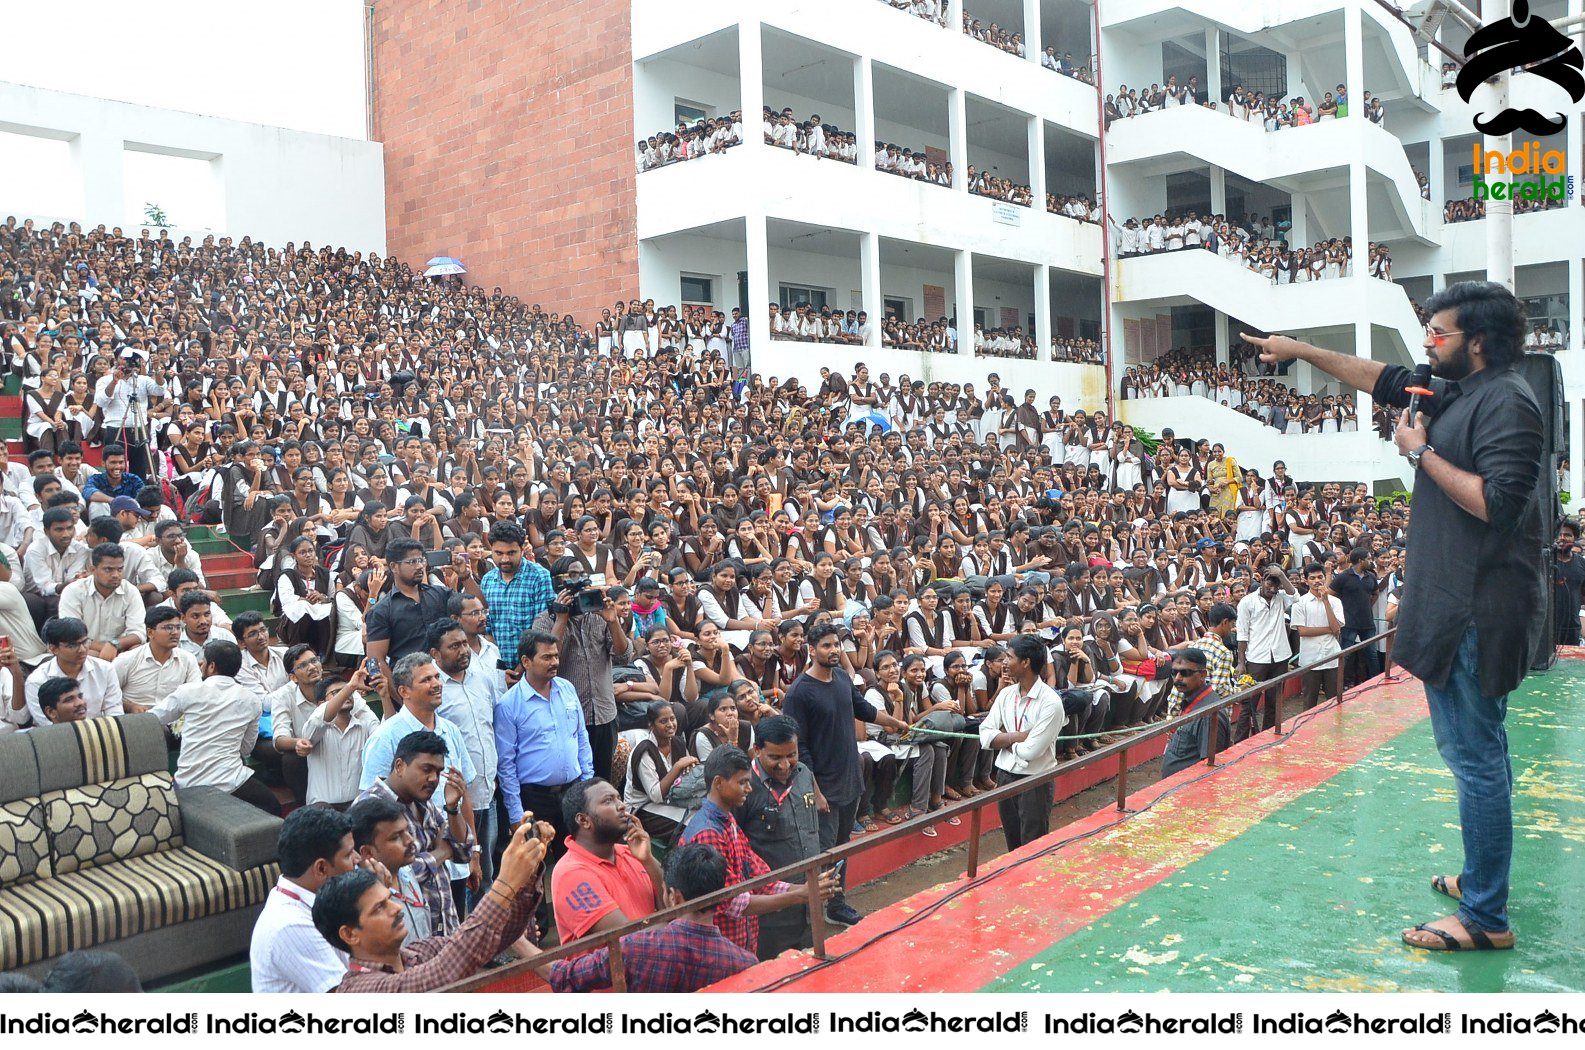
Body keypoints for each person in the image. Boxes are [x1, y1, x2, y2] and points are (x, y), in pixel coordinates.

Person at [1244, 280, 1545, 952]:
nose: (1426, 343)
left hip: (1477, 608)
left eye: (1437, 333)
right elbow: (1378, 377)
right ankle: (1479, 879)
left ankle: (1486, 919)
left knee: (1476, 760)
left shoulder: (1508, 404)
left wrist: (1419, 454)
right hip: (1451, 602)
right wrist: (1298, 349)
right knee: (1471, 754)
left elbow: (1496, 504)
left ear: (1479, 341)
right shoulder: (1454, 387)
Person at [313, 818, 553, 992]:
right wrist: (505, 885)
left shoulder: (418, 953)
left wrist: (527, 872)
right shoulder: (358, 992)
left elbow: (495, 938)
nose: (396, 908)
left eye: (389, 900)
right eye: (379, 908)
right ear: (349, 934)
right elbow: (444, 971)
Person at [780, 622, 907, 928]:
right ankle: (815, 912)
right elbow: (800, 751)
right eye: (826, 646)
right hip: (823, 787)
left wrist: (894, 722)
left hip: (850, 778)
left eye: (836, 644)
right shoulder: (798, 693)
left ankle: (836, 905)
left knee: (842, 847)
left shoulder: (840, 677)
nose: (834, 650)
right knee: (824, 851)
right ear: (811, 651)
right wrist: (817, 792)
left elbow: (862, 708)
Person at [679, 746, 835, 955]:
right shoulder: (709, 833)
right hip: (721, 947)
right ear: (718, 783)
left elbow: (758, 873)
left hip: (740, 938)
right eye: (742, 782)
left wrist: (806, 889)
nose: (749, 788)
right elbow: (734, 903)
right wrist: (802, 895)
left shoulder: (727, 820)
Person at [548, 842, 759, 992]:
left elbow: (563, 976)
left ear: (674, 897)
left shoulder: (635, 948)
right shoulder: (744, 962)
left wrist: (520, 942)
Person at [356, 729, 476, 938]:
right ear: (400, 766)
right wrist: (441, 852)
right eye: (426, 769)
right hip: (409, 938)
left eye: (438, 772)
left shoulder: (424, 802)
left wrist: (452, 808)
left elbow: (463, 851)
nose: (433, 779)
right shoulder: (371, 807)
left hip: (445, 932)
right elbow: (394, 875)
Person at [147, 640, 276, 814]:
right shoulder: (252, 700)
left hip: (188, 782)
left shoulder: (188, 691)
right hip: (232, 780)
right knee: (272, 807)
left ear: (211, 666)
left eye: (204, 662)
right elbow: (246, 749)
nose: (201, 666)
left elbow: (152, 718)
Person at [495, 628, 594, 853]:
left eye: (556, 656)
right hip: (535, 798)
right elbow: (506, 764)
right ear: (526, 661)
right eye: (547, 657)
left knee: (576, 858)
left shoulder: (567, 689)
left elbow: (581, 738)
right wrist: (515, 812)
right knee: (534, 866)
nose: (555, 662)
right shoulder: (509, 705)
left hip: (573, 790)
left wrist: (586, 783)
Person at [533, 558, 630, 781]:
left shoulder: (598, 616)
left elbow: (623, 655)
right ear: (558, 584)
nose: (577, 583)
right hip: (569, 719)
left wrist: (613, 621)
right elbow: (548, 662)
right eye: (571, 576)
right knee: (575, 783)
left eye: (580, 575)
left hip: (604, 713)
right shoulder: (544, 621)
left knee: (602, 779)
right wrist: (562, 619)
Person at [737, 714, 823, 959]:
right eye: (775, 757)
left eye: (791, 755)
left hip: (810, 902)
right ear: (757, 750)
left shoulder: (804, 773)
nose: (785, 765)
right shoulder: (744, 788)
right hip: (772, 914)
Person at [430, 616, 500, 910]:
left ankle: (484, 942)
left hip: (487, 790)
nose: (463, 650)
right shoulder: (432, 688)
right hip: (454, 802)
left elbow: (492, 723)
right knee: (464, 872)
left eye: (464, 644)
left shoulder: (481, 677)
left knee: (486, 870)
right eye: (454, 646)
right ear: (436, 653)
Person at [250, 807, 360, 993]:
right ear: (321, 869)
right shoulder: (290, 925)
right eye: (348, 855)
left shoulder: (321, 897)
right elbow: (348, 997)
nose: (358, 859)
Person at [550, 777, 665, 944]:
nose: (622, 806)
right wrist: (674, 925)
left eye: (618, 798)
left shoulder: (631, 853)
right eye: (608, 801)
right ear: (583, 820)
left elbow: (674, 903)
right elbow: (629, 940)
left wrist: (648, 860)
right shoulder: (571, 873)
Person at [978, 634, 1064, 851]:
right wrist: (1019, 736)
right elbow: (984, 735)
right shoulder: (1006, 694)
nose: (1004, 662)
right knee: (1012, 843)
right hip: (1006, 776)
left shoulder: (1050, 702)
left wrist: (1003, 740)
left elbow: (1031, 752)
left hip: (1035, 780)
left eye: (1009, 656)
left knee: (1033, 845)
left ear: (1025, 662)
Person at [365, 538, 459, 704]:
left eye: (421, 560)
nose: (419, 566)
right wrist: (403, 701)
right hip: (411, 689)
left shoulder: (439, 595)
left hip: (448, 684)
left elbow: (474, 608)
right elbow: (375, 660)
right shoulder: (382, 610)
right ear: (394, 567)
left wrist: (465, 576)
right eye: (412, 561)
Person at [478, 520, 553, 674]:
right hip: (498, 668)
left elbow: (541, 630)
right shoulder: (488, 580)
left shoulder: (539, 577)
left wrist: (520, 670)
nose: (505, 559)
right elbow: (489, 629)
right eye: (498, 553)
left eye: (511, 553)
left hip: (532, 669)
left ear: (522, 549)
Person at [1233, 567, 1296, 741]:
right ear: (1262, 581)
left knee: (1274, 701)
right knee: (1249, 704)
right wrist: (1241, 662)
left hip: (1280, 657)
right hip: (1256, 658)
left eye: (1276, 585)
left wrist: (1281, 575)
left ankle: (1270, 735)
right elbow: (1242, 634)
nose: (1273, 588)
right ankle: (1240, 740)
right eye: (1270, 583)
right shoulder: (1247, 602)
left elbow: (1295, 596)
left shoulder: (1281, 598)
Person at [57, 543, 144, 661]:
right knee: (86, 653)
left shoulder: (131, 591)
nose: (115, 575)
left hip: (120, 650)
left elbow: (139, 633)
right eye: (108, 569)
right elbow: (72, 635)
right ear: (93, 569)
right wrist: (105, 649)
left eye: (120, 569)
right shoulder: (73, 591)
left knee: (137, 649)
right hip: (86, 649)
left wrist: (114, 645)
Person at [112, 605, 201, 713]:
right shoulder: (126, 661)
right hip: (136, 721)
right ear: (150, 633)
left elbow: (196, 695)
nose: (175, 632)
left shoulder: (188, 659)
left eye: (178, 627)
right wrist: (130, 707)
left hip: (174, 720)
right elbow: (108, 698)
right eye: (168, 628)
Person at [1158, 647, 1230, 779]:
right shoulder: (1190, 700)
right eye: (1174, 672)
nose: (1178, 678)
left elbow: (1209, 768)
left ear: (1202, 675)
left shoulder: (1209, 715)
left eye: (1185, 673)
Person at [1291, 563, 1343, 708]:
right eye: (1312, 578)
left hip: (1331, 655)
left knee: (1334, 700)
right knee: (1309, 701)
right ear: (1306, 580)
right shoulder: (1300, 603)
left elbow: (1337, 629)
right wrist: (1330, 630)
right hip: (1310, 658)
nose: (1317, 581)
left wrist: (1326, 601)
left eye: (1320, 577)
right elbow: (1303, 631)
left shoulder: (1335, 602)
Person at [1330, 547, 1381, 686]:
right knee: (1345, 655)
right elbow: (1330, 594)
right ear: (1360, 560)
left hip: (1367, 622)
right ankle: (1339, 685)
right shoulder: (1343, 577)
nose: (1371, 561)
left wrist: (1366, 605)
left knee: (1372, 654)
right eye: (1369, 559)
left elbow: (1375, 593)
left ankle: (1378, 682)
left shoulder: (1371, 576)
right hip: (1349, 622)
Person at [1553, 519, 1585, 645]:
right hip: (1546, 628)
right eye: (1559, 534)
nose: (1562, 538)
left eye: (1567, 535)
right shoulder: (1544, 561)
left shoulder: (1582, 563)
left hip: (1572, 629)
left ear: (1575, 538)